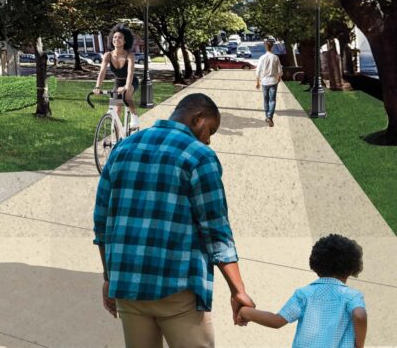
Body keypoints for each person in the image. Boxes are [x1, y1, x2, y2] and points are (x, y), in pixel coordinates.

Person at [93, 92, 253, 347]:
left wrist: (109, 277)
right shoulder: (200, 156)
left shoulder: (122, 148)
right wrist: (238, 290)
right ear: (197, 118)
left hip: (128, 287)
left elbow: (102, 223)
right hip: (177, 289)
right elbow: (216, 231)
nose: (209, 139)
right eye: (210, 130)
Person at [237, 234, 367, 348]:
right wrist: (359, 345)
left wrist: (245, 311)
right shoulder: (352, 296)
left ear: (317, 264)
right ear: (352, 268)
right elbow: (359, 315)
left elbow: (277, 321)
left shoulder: (304, 294)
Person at [93, 24, 140, 131]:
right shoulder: (108, 55)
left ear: (125, 41)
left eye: (120, 37)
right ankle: (118, 133)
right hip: (118, 83)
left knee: (126, 95)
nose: (116, 39)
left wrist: (126, 87)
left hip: (131, 81)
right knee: (116, 109)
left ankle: (134, 117)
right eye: (114, 37)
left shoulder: (129, 55)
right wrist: (97, 86)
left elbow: (130, 73)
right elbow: (102, 72)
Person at [256, 37, 283, 127]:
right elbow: (280, 70)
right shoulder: (275, 57)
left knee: (266, 100)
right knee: (272, 100)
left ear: (266, 47)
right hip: (273, 81)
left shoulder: (262, 58)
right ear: (272, 47)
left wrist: (257, 81)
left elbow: (258, 70)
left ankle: (267, 116)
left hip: (264, 82)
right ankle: (270, 116)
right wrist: (279, 78)